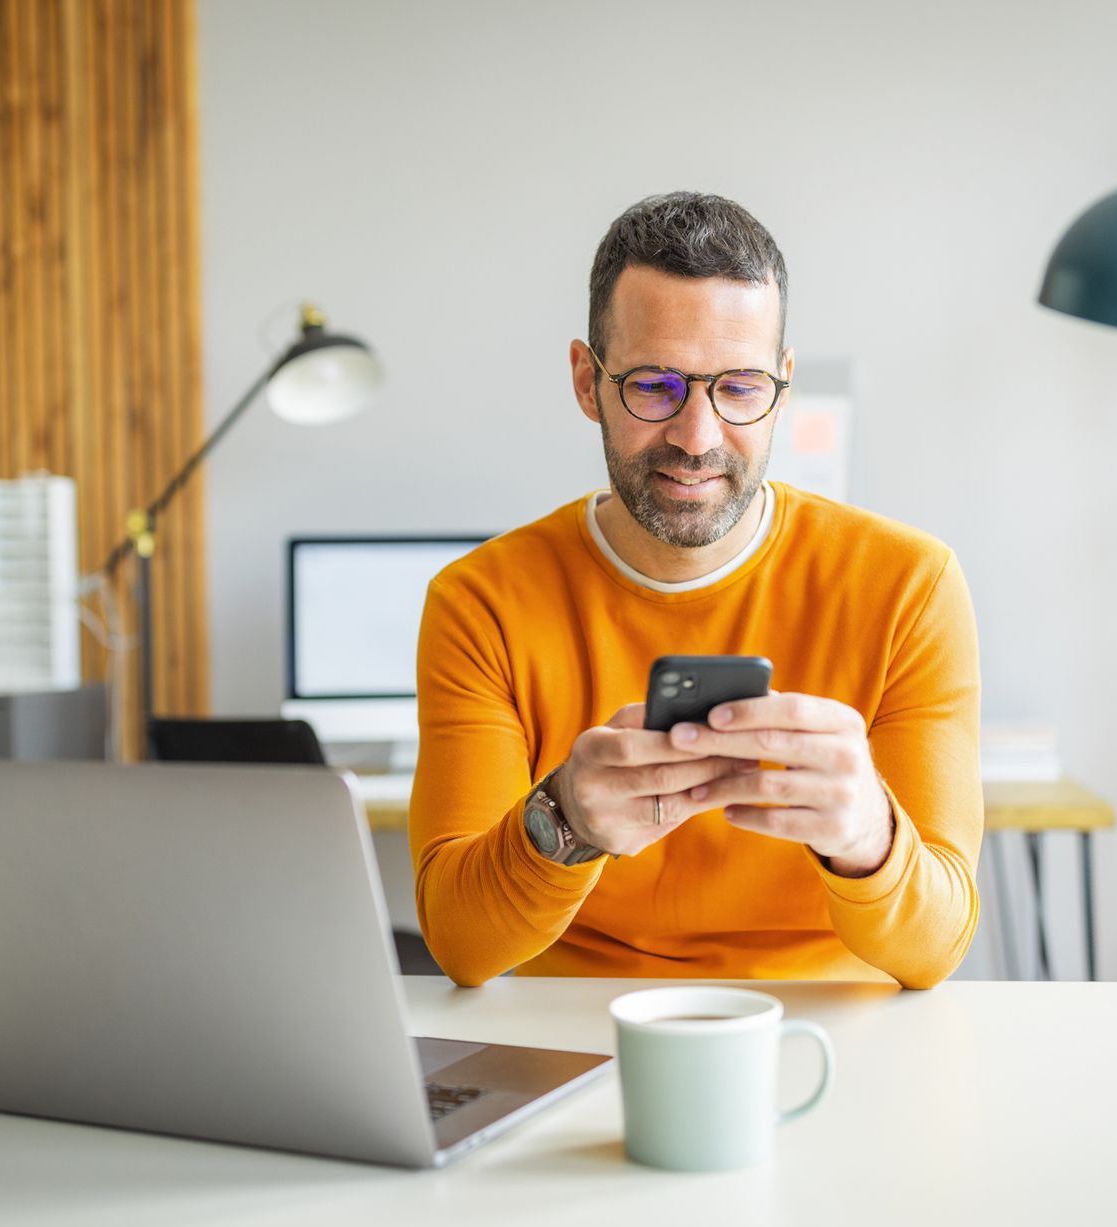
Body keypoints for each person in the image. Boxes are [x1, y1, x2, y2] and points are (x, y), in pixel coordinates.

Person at [410, 191, 981, 988]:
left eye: (739, 388)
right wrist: (564, 819)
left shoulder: (910, 587)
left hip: (828, 1030)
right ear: (586, 380)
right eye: (654, 385)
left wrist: (869, 835)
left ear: (784, 384)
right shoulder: (481, 603)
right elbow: (461, 948)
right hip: (577, 1030)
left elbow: (937, 950)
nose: (697, 436)